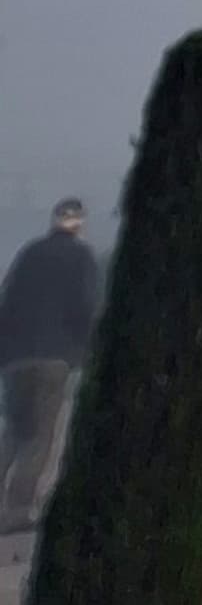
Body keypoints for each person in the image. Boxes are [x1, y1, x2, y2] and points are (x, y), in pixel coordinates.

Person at [0, 200, 101, 534]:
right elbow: (83, 307)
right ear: (80, 224)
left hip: (16, 359)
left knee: (15, 432)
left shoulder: (29, 254)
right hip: (53, 360)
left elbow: (7, 301)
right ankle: (17, 510)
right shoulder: (81, 257)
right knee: (40, 438)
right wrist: (89, 351)